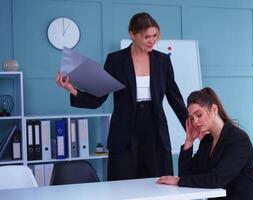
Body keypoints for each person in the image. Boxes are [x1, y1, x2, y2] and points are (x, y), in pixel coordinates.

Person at [56, 12, 187, 181]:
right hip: (124, 134)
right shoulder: (115, 60)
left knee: (159, 185)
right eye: (147, 36)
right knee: (122, 187)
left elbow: (175, 98)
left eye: (155, 36)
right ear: (132, 34)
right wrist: (71, 89)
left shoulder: (162, 61)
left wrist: (191, 125)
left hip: (155, 132)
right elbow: (98, 98)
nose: (152, 40)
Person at [157, 87, 253, 200]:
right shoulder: (207, 141)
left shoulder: (238, 140)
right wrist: (189, 141)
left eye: (199, 115)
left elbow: (216, 180)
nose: (195, 122)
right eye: (191, 118)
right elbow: (187, 175)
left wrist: (178, 180)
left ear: (214, 110)